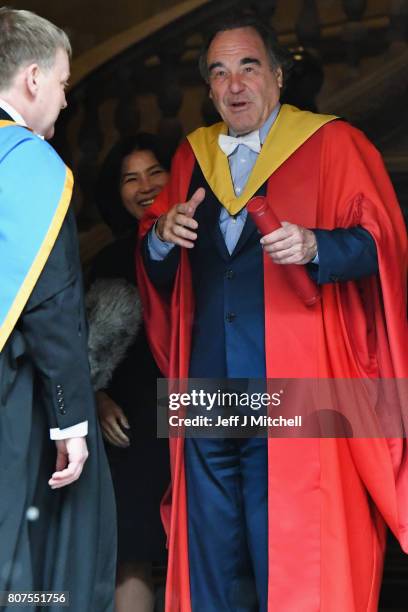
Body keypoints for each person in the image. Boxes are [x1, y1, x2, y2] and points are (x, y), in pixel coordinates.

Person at [136, 13, 408, 612]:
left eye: (249, 67)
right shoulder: (192, 156)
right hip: (204, 385)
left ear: (278, 76)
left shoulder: (333, 142)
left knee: (287, 540)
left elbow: (382, 243)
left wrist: (317, 246)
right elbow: (158, 273)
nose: (235, 84)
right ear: (208, 90)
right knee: (209, 548)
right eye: (220, 72)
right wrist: (160, 234)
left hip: (293, 379)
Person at [0, 8, 116, 611]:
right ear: (35, 78)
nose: (68, 102)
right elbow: (52, 305)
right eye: (66, 84)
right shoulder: (31, 166)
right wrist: (72, 421)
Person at [87, 135, 171, 612]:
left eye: (154, 171)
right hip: (132, 424)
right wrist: (96, 397)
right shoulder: (113, 257)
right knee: (132, 551)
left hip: (197, 413)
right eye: (129, 177)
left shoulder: (207, 244)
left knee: (202, 547)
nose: (144, 186)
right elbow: (87, 351)